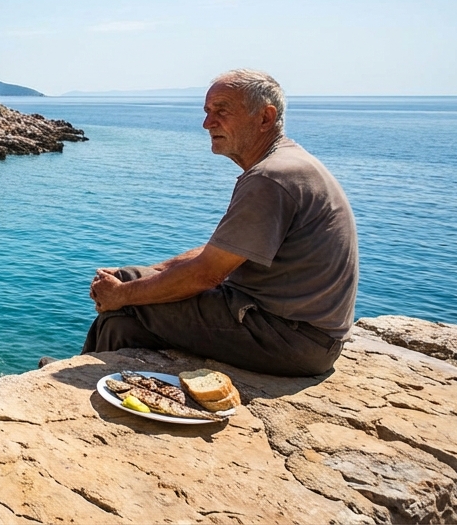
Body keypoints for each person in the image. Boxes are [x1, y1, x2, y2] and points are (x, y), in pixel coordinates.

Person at [81, 69, 357, 377]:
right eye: (207, 112)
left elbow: (207, 275)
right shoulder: (284, 163)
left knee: (123, 307)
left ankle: (92, 379)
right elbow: (227, 250)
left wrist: (120, 295)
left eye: (222, 111)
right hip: (286, 327)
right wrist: (154, 272)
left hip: (291, 338)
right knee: (127, 281)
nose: (207, 123)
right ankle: (99, 371)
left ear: (265, 117)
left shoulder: (271, 177)